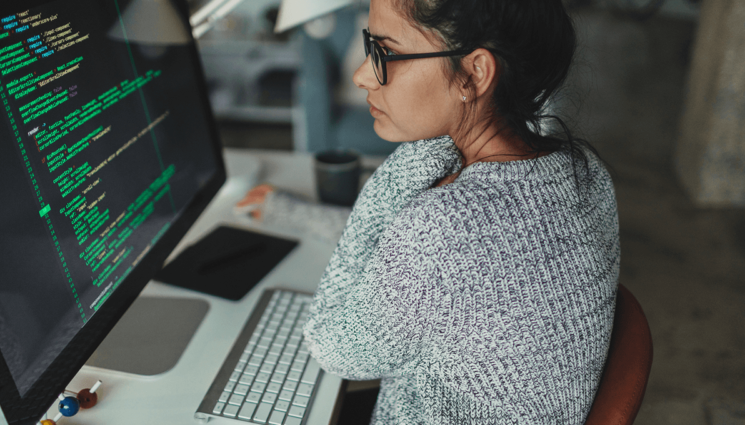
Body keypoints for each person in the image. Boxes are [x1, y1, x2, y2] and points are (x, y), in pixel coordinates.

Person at [239, 0, 620, 423]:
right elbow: (416, 258)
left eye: (385, 52)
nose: (362, 75)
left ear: (475, 73)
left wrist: (399, 168)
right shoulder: (585, 170)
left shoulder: (444, 223)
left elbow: (333, 348)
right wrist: (295, 214)